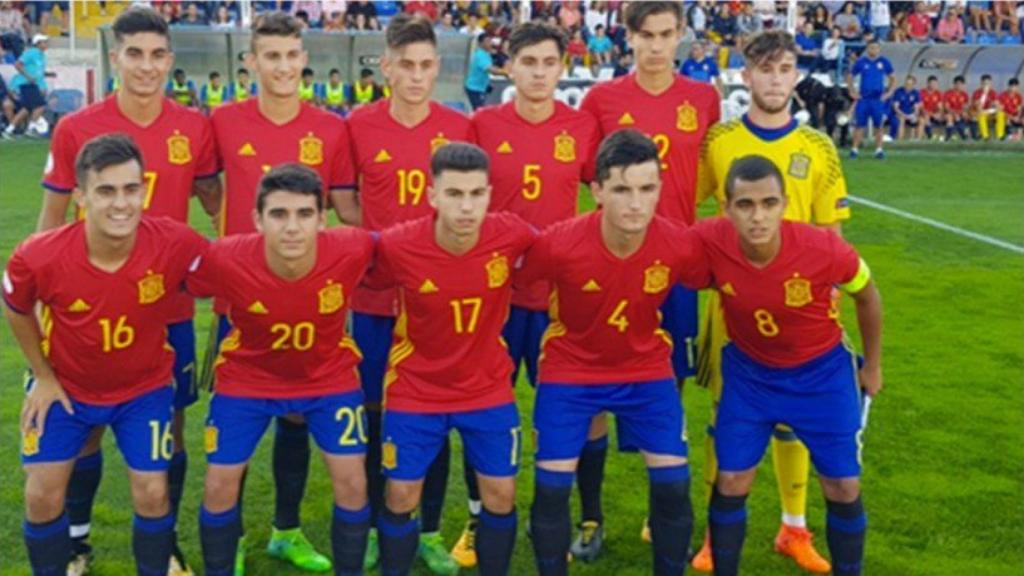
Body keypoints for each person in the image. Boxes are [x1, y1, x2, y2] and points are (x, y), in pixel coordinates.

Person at [35, 8, 221, 574]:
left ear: (170, 60)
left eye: (157, 54)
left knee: (174, 423)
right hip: (89, 306)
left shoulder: (194, 127)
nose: (146, 66)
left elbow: (219, 207)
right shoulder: (76, 129)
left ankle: (163, 545)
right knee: (83, 426)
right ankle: (76, 540)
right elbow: (49, 222)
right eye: (134, 54)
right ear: (114, 58)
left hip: (169, 308)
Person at [5, 133, 206, 576]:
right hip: (67, 387)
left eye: (131, 189)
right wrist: (43, 374)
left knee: (153, 492)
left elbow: (230, 272)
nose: (121, 203)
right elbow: (16, 306)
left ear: (144, 191)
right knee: (41, 495)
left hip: (145, 389)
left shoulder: (176, 242)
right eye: (106, 190)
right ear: (80, 196)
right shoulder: (40, 255)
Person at [695, 30, 852, 574]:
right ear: (747, 76)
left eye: (785, 69)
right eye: (764, 69)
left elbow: (833, 234)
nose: (775, 79)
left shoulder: (818, 148)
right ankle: (718, 537)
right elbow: (688, 205)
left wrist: (827, 303)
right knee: (725, 418)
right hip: (732, 306)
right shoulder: (719, 140)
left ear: (795, 75)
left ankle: (794, 527)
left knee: (797, 424)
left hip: (802, 310)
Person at [209, 11, 357, 573]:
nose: (282, 65)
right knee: (237, 427)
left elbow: (343, 209)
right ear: (251, 62)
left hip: (309, 303)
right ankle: (234, 538)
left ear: (303, 59)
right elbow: (207, 188)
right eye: (270, 55)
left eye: (291, 55)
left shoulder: (330, 128)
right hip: (241, 300)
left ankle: (286, 531)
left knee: (298, 416)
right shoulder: (222, 120)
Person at [522, 129, 706, 576]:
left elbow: (731, 276)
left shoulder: (678, 244)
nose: (636, 203)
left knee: (673, 487)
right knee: (550, 490)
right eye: (622, 189)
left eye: (647, 189)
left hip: (645, 371)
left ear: (661, 189)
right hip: (570, 372)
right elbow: (508, 282)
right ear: (597, 191)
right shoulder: (559, 242)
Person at [577, 2, 720, 559]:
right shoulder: (602, 100)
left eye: (667, 34)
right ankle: (590, 518)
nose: (657, 45)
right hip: (610, 266)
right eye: (646, 35)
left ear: (680, 35)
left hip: (675, 264)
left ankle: (657, 515)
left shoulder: (703, 99)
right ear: (629, 37)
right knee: (588, 387)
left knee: (670, 380)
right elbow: (590, 180)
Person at [697, 155, 882, 576]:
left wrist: (872, 366)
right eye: (745, 205)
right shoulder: (709, 240)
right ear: (725, 208)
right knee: (731, 480)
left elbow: (869, 296)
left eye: (768, 203)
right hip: (750, 376)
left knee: (842, 484)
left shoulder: (825, 248)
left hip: (822, 376)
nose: (758, 216)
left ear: (784, 205)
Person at [458, 21, 600, 569]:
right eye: (529, 62)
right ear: (509, 67)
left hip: (562, 296)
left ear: (562, 67)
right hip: (494, 294)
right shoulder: (482, 124)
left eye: (549, 62)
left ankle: (588, 519)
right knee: (481, 403)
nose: (539, 73)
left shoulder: (582, 126)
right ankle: (477, 516)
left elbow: (604, 194)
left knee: (582, 408)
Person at [189, 164, 375, 576]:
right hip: (248, 377)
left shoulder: (353, 247)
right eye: (278, 215)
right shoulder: (224, 257)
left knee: (352, 482)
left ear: (321, 219)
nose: (292, 227)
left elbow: (410, 245)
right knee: (220, 482)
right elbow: (172, 275)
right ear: (257, 220)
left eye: (304, 214)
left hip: (328, 376)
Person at [337, 13, 472, 574]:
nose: (416, 77)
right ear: (385, 67)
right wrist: (378, 248)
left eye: (425, 66)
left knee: (434, 412)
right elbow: (344, 198)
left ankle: (430, 531)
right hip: (374, 298)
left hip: (435, 300)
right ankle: (372, 526)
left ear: (436, 67)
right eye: (405, 66)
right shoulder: (357, 126)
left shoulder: (460, 126)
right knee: (372, 413)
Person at [366, 142, 534, 576]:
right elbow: (350, 263)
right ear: (432, 195)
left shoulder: (511, 234)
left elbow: (565, 250)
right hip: (415, 387)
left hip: (487, 386)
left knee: (500, 495)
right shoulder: (399, 245)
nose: (466, 206)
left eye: (476, 194)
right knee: (401, 496)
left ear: (490, 195)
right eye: (455, 194)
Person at [847, 40, 895, 159]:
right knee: (859, 125)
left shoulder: (884, 62)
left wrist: (889, 93)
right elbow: (850, 76)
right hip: (864, 98)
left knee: (879, 125)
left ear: (879, 49)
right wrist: (852, 91)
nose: (873, 50)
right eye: (871, 48)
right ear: (867, 49)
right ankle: (854, 149)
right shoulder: (861, 62)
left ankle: (879, 150)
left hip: (877, 99)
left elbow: (893, 78)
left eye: (875, 48)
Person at [2, 33, 48, 139]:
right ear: (37, 44)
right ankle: (30, 128)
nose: (46, 44)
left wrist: (42, 84)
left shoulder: (42, 56)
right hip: (26, 83)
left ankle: (9, 130)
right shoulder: (31, 53)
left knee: (27, 109)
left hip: (33, 84)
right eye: (44, 42)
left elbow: (38, 72)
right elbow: (17, 64)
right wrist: (28, 77)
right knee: (40, 106)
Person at [465, 34, 502, 110]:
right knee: (479, 110)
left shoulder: (486, 54)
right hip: (475, 88)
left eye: (490, 41)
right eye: (487, 41)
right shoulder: (480, 55)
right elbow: (491, 70)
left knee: (480, 110)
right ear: (480, 43)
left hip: (481, 87)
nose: (490, 43)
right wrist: (506, 72)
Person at [890, 74, 923, 140]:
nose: (907, 85)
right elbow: (896, 107)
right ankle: (900, 140)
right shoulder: (898, 91)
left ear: (913, 84)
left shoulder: (915, 92)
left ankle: (918, 140)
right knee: (902, 119)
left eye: (910, 84)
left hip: (911, 114)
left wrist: (915, 115)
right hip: (900, 114)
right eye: (906, 83)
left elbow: (917, 107)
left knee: (921, 120)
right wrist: (903, 115)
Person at [972, 74, 1003, 141]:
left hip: (990, 113)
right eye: (984, 83)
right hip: (980, 113)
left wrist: (996, 105)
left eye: (988, 83)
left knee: (1000, 114)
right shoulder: (977, 93)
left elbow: (998, 107)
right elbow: (979, 108)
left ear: (991, 83)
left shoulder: (993, 92)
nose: (986, 85)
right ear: (981, 83)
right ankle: (985, 136)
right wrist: (984, 94)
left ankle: (1000, 135)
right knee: (981, 115)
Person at [942, 75, 970, 141]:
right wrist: (955, 114)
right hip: (949, 114)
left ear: (963, 85)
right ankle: (948, 137)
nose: (959, 86)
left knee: (966, 116)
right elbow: (947, 108)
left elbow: (966, 107)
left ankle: (967, 135)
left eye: (961, 84)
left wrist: (961, 113)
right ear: (954, 84)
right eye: (957, 84)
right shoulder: (948, 93)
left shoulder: (964, 94)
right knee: (949, 117)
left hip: (960, 114)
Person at [919, 75, 944, 140]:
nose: (934, 85)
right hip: (923, 115)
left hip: (934, 115)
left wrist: (939, 114)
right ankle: (930, 136)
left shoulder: (938, 93)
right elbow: (921, 108)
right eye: (932, 83)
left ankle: (945, 138)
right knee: (925, 117)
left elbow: (940, 107)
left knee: (946, 117)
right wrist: (932, 114)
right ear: (928, 83)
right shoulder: (921, 92)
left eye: (935, 84)